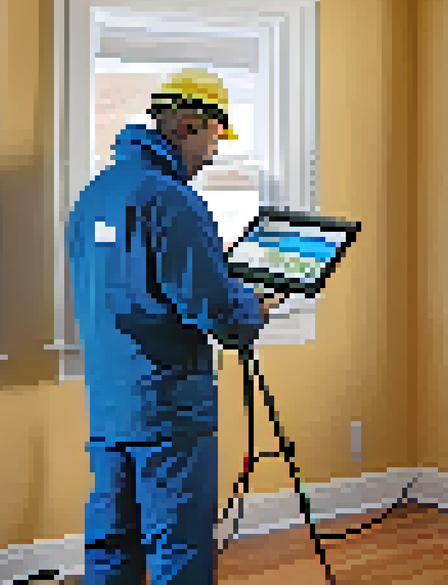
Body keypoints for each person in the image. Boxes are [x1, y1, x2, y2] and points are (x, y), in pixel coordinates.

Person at [66, 68, 284, 585]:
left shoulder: (95, 193)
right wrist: (254, 308)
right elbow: (217, 313)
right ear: (190, 125)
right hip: (169, 408)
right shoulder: (171, 200)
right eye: (215, 138)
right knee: (178, 547)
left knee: (112, 541)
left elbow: (133, 282)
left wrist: (204, 267)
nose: (213, 153)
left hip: (111, 402)